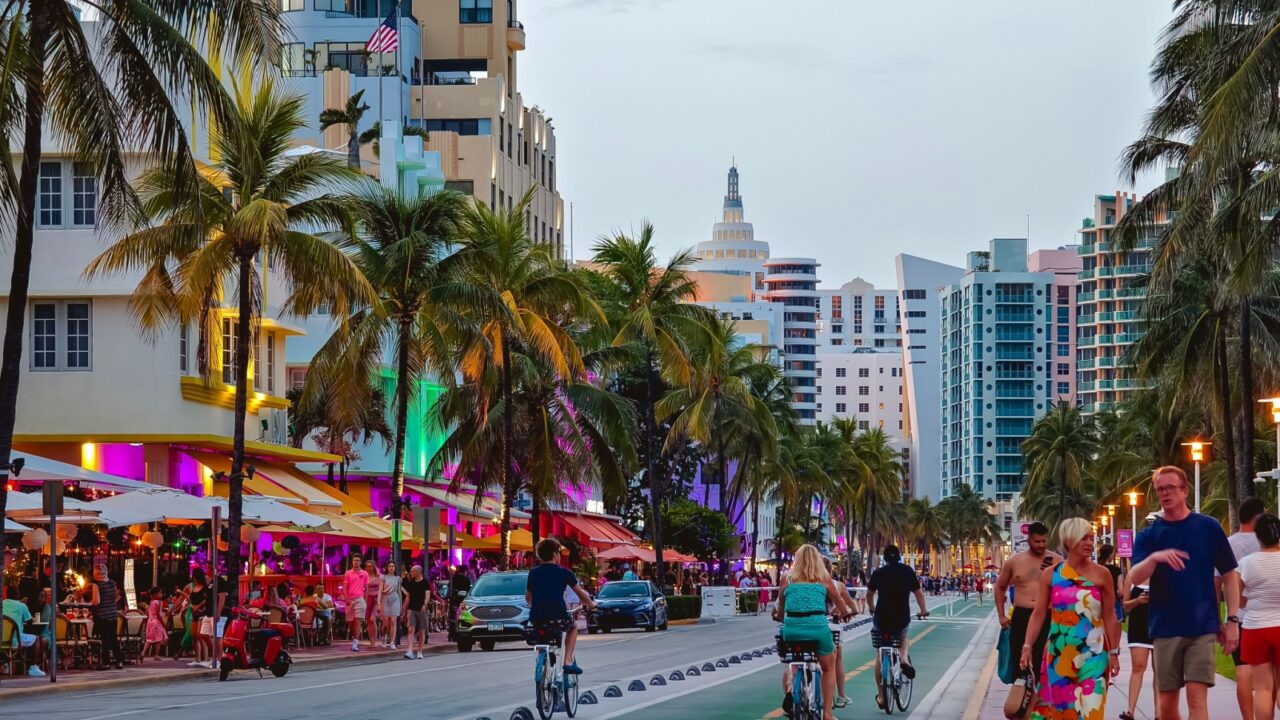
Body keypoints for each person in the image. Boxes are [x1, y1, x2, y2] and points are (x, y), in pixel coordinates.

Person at [1130, 465, 1241, 720]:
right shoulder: (1149, 535)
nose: (1165, 493)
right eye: (1160, 490)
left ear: (1184, 490)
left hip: (1202, 627)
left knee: (1196, 696)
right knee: (1166, 706)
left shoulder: (1208, 527)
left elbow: (1229, 574)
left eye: (1170, 488)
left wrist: (1232, 619)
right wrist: (1156, 557)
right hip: (1165, 627)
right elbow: (1136, 576)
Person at [1019, 518, 1120, 720]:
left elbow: (1110, 615)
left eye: (1092, 538)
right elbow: (1039, 613)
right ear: (1069, 540)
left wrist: (1115, 652)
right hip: (1059, 654)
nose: (1090, 543)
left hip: (1094, 655)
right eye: (1084, 538)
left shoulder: (1102, 574)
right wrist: (1027, 646)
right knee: (1062, 714)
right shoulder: (1051, 575)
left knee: (1091, 712)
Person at [774, 545, 849, 720]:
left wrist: (779, 616)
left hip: (791, 630)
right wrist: (845, 613)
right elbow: (839, 602)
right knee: (828, 667)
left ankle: (792, 688)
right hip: (817, 627)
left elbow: (781, 604)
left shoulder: (788, 578)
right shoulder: (823, 578)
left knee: (792, 658)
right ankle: (827, 714)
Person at [994, 521, 1060, 689]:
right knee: (1019, 661)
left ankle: (1041, 700)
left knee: (1043, 660)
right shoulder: (1015, 561)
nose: (1041, 545)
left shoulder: (1056, 561)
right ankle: (1021, 700)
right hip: (1022, 615)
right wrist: (1001, 616)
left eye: (1044, 541)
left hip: (1047, 615)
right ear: (1029, 539)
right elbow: (999, 587)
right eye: (1037, 541)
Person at [866, 544, 928, 712]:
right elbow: (918, 593)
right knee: (903, 635)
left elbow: (869, 594)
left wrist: (871, 607)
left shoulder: (878, 573)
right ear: (899, 556)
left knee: (880, 653)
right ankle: (903, 659)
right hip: (901, 616)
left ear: (885, 558)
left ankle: (881, 696)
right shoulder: (908, 571)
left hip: (881, 617)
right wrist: (923, 610)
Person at [525, 538, 595, 674]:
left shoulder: (533, 573)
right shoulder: (564, 573)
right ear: (555, 554)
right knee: (573, 627)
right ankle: (568, 661)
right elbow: (581, 594)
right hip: (559, 616)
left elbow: (528, 598)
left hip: (537, 618)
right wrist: (591, 604)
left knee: (541, 634)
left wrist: (534, 604)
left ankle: (543, 662)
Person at [1226, 496, 1265, 720]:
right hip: (1265, 616)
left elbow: (1217, 581)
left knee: (1242, 670)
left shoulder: (1228, 543)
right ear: (1258, 516)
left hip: (1237, 617)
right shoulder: (1268, 543)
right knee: (1267, 674)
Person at [1238, 512, 1280, 720]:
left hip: (1255, 628)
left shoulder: (1246, 563)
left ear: (1257, 536)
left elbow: (1239, 601)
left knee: (1262, 689)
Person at [1120, 540, 1156, 720]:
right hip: (1138, 627)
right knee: (1138, 667)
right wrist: (1137, 601)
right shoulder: (1132, 577)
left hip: (1160, 627)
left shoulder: (1164, 575)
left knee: (1160, 670)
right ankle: (1130, 710)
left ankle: (1160, 714)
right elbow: (1124, 606)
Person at [88, 564, 125, 670]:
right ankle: (119, 661)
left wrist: (91, 602)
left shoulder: (96, 585)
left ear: (97, 573)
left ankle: (106, 663)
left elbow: (96, 601)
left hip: (102, 614)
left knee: (105, 639)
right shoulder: (113, 583)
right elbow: (116, 597)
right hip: (113, 614)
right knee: (113, 638)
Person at [2, 584, 44, 676]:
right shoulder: (22, 606)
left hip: (2, 639)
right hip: (16, 640)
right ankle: (33, 667)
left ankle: (5, 664)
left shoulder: (2, 604)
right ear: (17, 594)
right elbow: (29, 621)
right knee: (36, 638)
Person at [402, 565, 431, 659]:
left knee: (421, 630)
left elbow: (427, 595)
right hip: (411, 608)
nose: (411, 573)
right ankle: (410, 650)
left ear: (418, 572)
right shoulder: (411, 583)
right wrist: (404, 609)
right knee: (410, 629)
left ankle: (419, 650)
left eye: (412, 571)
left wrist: (424, 604)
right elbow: (408, 597)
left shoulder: (425, 583)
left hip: (421, 609)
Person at [343, 555, 369, 652]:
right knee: (350, 621)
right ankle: (353, 637)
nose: (356, 562)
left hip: (359, 598)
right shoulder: (348, 573)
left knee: (357, 620)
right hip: (350, 599)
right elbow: (345, 587)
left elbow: (366, 588)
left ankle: (355, 642)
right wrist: (346, 599)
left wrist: (365, 600)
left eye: (358, 560)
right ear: (352, 562)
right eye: (354, 560)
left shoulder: (365, 573)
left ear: (361, 562)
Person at [378, 560, 403, 649]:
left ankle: (392, 642)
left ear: (395, 568)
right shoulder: (383, 577)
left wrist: (401, 604)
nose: (391, 568)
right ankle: (383, 639)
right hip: (385, 599)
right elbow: (380, 590)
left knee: (393, 622)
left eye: (393, 566)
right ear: (387, 568)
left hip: (395, 599)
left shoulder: (398, 578)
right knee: (385, 623)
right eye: (390, 566)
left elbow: (399, 591)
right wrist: (378, 601)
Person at [142, 586, 168, 661]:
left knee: (149, 639)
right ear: (155, 595)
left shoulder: (150, 602)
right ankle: (156, 655)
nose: (161, 595)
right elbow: (157, 613)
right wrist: (163, 623)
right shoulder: (159, 602)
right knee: (158, 639)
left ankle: (143, 652)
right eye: (160, 593)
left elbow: (147, 613)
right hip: (157, 622)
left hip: (150, 622)